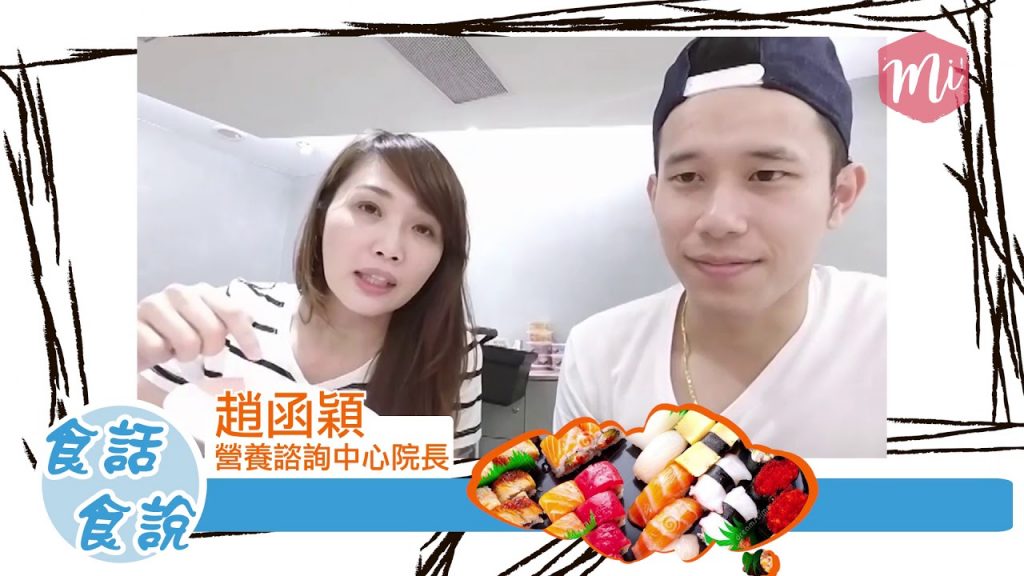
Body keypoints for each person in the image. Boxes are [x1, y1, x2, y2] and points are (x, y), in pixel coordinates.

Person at [552, 37, 886, 458]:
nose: (719, 220)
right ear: (655, 197)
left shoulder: (910, 336)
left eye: (766, 175)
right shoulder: (598, 353)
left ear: (840, 196)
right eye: (688, 177)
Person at [138, 130, 483, 459]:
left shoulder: (450, 355)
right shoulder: (229, 318)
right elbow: (126, 464)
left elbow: (444, 493)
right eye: (369, 208)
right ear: (323, 212)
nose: (390, 248)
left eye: (423, 229)